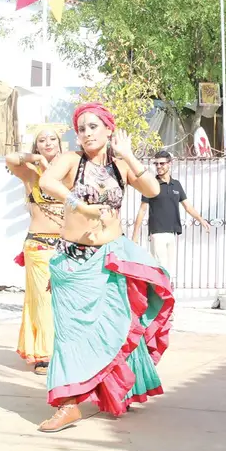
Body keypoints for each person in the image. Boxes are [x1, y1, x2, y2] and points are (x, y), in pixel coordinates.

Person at [36, 102, 174, 433]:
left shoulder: (118, 165)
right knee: (69, 337)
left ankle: (114, 389)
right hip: (72, 263)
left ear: (109, 129)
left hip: (109, 260)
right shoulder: (71, 161)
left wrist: (127, 155)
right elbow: (46, 183)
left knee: (113, 331)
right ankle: (68, 405)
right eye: (81, 128)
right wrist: (78, 203)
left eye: (93, 126)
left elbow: (153, 190)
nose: (86, 133)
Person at [5, 127, 65, 375]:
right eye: (42, 140)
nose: (48, 143)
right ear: (36, 146)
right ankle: (45, 354)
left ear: (60, 143)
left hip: (69, 245)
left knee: (66, 302)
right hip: (39, 244)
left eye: (52, 139)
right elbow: (9, 159)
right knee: (43, 301)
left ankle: (67, 350)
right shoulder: (31, 174)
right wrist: (38, 160)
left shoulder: (71, 169)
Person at [132, 150, 210, 287]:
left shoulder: (176, 185)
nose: (159, 166)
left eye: (162, 163)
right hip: (157, 232)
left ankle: (165, 298)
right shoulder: (151, 184)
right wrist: (135, 235)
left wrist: (201, 220)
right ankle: (160, 299)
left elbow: (188, 207)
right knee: (160, 268)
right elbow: (142, 209)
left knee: (168, 269)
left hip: (171, 233)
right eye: (156, 164)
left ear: (170, 164)